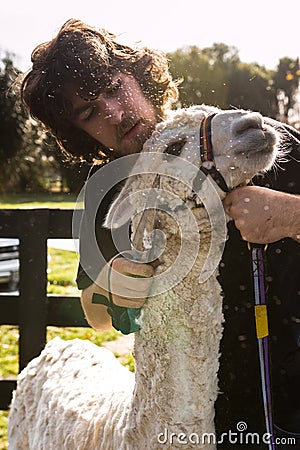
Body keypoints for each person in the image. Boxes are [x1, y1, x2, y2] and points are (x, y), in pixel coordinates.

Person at [19, 19, 299, 448]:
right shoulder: (109, 190)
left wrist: (292, 216)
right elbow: (96, 314)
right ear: (80, 131)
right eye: (90, 112)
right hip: (189, 422)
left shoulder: (256, 139)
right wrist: (113, 285)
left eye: (114, 88)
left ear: (139, 73)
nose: (113, 113)